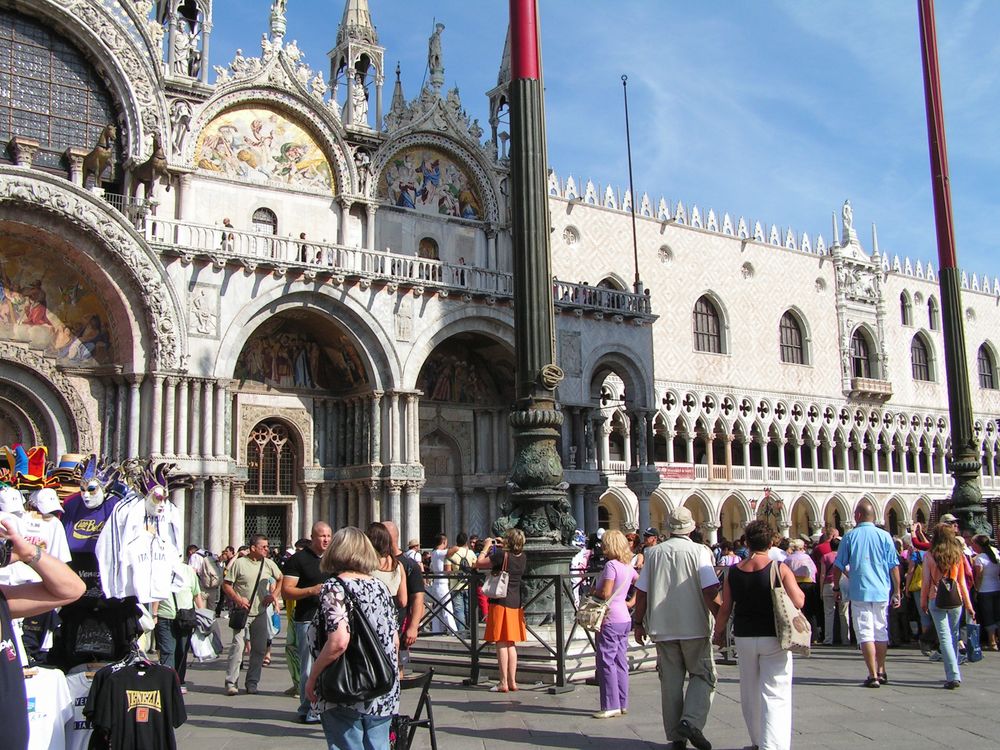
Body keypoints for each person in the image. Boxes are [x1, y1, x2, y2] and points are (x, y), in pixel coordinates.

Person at [632, 507, 720, 750]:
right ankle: (690, 721)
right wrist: (722, 621)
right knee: (704, 675)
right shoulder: (700, 552)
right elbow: (710, 590)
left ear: (669, 529)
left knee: (670, 682)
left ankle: (676, 737)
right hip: (694, 626)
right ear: (691, 528)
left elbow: (642, 592)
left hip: (662, 626)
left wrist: (638, 623)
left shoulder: (654, 554)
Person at [713, 520, 805, 750]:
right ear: (771, 541)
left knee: (750, 690)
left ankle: (757, 739)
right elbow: (799, 600)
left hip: (744, 636)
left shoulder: (734, 571)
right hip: (773, 636)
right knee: (775, 691)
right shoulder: (779, 568)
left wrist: (718, 632)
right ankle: (772, 745)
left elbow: (725, 607)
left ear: (747, 541)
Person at [305, 527, 399, 749]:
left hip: (345, 687)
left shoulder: (334, 588)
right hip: (382, 687)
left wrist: (312, 678)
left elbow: (338, 642)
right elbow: (394, 640)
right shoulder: (381, 587)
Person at [832, 499, 901, 687]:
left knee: (865, 633)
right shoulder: (885, 536)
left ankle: (872, 675)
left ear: (859, 515)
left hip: (860, 591)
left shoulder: (850, 537)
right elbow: (894, 566)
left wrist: (836, 587)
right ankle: (881, 669)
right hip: (881, 591)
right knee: (880, 629)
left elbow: (838, 565)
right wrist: (897, 590)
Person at [281, 522, 331, 723]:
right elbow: (286, 591)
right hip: (307, 619)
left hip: (330, 619)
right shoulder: (298, 560)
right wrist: (311, 590)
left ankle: (317, 706)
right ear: (312, 537)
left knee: (328, 665)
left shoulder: (333, 560)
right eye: (322, 536)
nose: (326, 539)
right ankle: (309, 708)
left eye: (329, 535)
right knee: (309, 666)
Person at [222, 534, 282, 696]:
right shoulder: (240, 564)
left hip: (261, 613)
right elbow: (226, 585)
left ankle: (252, 682)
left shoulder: (269, 564)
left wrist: (273, 596)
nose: (267, 549)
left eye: (267, 546)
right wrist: (237, 599)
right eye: (263, 547)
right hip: (243, 612)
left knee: (259, 649)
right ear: (253, 548)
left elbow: (281, 578)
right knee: (238, 647)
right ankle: (231, 682)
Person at [922, 523, 975, 688]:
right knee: (953, 635)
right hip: (955, 599)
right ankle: (954, 672)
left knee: (944, 637)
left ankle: (952, 675)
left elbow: (926, 582)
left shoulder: (930, 555)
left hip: (935, 598)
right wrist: (968, 604)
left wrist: (923, 601)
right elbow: (962, 583)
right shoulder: (957, 555)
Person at [591, 530, 638, 719]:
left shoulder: (611, 565)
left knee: (606, 660)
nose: (602, 548)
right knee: (620, 661)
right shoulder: (627, 566)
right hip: (624, 618)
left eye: (605, 544)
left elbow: (606, 593)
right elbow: (642, 583)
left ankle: (610, 705)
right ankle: (622, 702)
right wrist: (632, 602)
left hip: (610, 619)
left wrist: (593, 590)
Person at [476, 528, 527, 692]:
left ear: (509, 541)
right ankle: (513, 682)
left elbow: (479, 563)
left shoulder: (501, 555)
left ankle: (503, 682)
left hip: (500, 601)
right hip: (515, 603)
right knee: (511, 643)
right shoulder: (523, 557)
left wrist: (486, 547)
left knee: (501, 643)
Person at [152, 555, 204, 694]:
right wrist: (154, 614)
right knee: (168, 651)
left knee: (182, 651)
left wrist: (203, 614)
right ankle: (168, 682)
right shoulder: (160, 570)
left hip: (186, 618)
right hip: (165, 617)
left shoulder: (188, 571)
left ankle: (179, 680)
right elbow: (157, 594)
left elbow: (196, 594)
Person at [381, 521, 425, 677]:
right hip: (379, 625)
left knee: (397, 665)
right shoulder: (375, 562)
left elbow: (418, 597)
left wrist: (413, 627)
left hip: (400, 623)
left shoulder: (408, 564)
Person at [367, 522, 408, 611]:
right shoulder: (398, 565)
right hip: (393, 615)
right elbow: (403, 601)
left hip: (372, 614)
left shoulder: (366, 565)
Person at [971, 534, 1000, 650]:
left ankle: (992, 642)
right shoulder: (996, 554)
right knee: (998, 615)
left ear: (978, 545)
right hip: (997, 587)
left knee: (988, 616)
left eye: (973, 544)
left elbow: (979, 576)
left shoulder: (980, 558)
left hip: (985, 590)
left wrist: (976, 590)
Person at [785, 538, 818, 639]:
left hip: (795, 584)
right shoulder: (807, 557)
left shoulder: (789, 559)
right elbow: (814, 570)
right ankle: (814, 636)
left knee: (796, 609)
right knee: (810, 610)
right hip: (808, 583)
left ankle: (797, 635)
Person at [445, 532, 477, 632]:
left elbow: (448, 572)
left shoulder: (451, 554)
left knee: (459, 610)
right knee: (469, 609)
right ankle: (471, 632)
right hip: (469, 584)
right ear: (466, 541)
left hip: (456, 586)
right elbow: (476, 567)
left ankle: (462, 632)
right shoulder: (471, 553)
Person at [819, 538, 848, 645]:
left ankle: (828, 639)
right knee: (844, 613)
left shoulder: (825, 557)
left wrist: (821, 590)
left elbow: (822, 574)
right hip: (842, 583)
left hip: (828, 584)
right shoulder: (843, 556)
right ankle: (845, 639)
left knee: (828, 613)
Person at [428, 533, 455, 633]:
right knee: (447, 609)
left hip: (437, 583)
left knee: (438, 609)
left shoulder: (434, 552)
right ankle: (453, 632)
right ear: (443, 542)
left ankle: (436, 631)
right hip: (442, 585)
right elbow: (454, 550)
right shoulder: (439, 552)